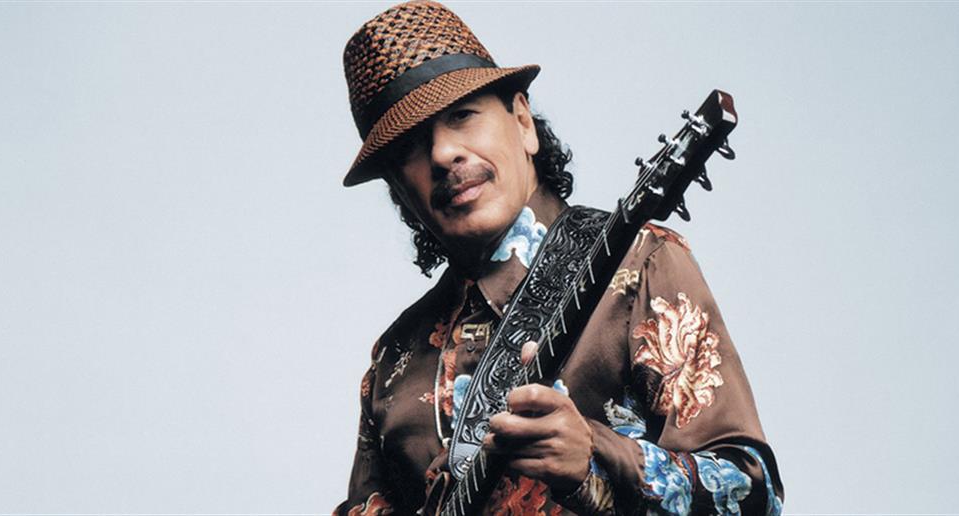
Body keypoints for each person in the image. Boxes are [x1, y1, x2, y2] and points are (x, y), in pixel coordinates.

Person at [333, 1, 784, 514]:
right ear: (399, 189)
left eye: (462, 117)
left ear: (523, 121)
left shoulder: (637, 263)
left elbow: (755, 493)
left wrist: (595, 454)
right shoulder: (392, 363)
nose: (442, 154)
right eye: (411, 147)